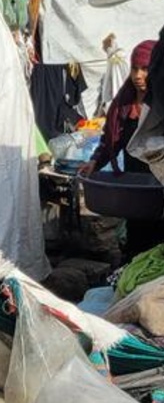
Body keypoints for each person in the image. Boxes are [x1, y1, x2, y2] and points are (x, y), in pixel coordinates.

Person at [80, 38, 159, 257]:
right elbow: (110, 139)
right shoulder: (124, 102)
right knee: (138, 238)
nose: (138, 76)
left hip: (160, 181)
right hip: (137, 185)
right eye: (134, 69)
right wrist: (96, 161)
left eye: (145, 69)